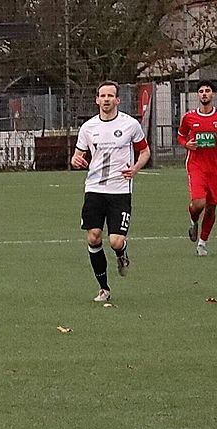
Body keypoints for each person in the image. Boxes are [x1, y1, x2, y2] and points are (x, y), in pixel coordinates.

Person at [71, 81, 150, 302]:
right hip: (94, 189)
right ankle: (104, 288)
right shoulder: (88, 128)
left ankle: (121, 253)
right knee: (94, 237)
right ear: (96, 99)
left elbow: (144, 152)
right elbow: (79, 154)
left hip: (120, 190)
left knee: (115, 241)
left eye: (110, 96)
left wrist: (135, 168)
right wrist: (76, 160)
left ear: (118, 100)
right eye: (102, 96)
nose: (106, 99)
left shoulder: (130, 125)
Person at [177, 80, 217, 256]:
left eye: (207, 91)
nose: (204, 93)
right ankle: (193, 219)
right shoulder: (189, 117)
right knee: (199, 203)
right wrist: (186, 144)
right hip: (196, 166)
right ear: (198, 95)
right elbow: (181, 136)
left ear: (213, 95)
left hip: (215, 168)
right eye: (201, 91)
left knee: (212, 207)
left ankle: (202, 243)